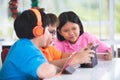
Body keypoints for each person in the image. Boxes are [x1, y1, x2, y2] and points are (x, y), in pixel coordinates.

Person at [0, 8, 58, 80]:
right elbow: (45, 72)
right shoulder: (25, 48)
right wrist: (55, 68)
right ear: (38, 31)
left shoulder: (22, 45)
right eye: (48, 30)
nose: (50, 35)